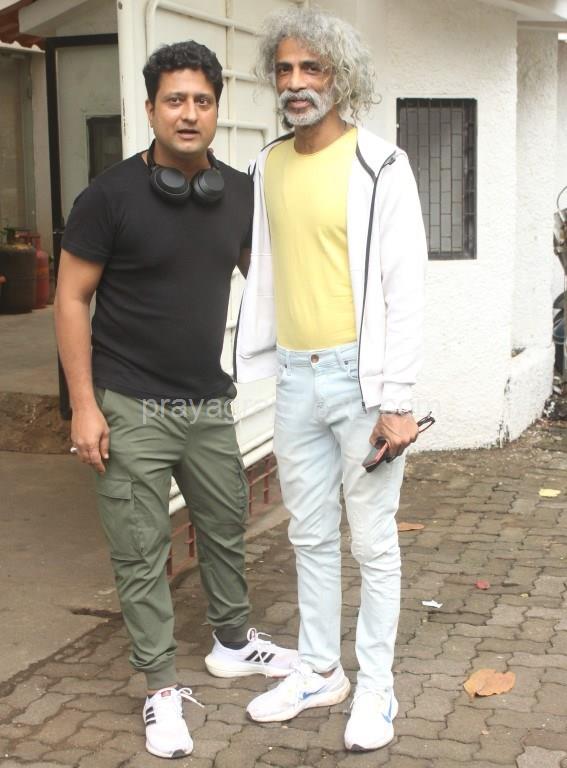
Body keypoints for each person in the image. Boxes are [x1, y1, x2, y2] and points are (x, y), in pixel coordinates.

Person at [54, 40, 297, 760]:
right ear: (151, 108)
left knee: (224, 529)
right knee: (141, 550)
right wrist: (83, 405)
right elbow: (70, 299)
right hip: (128, 403)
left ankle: (232, 642)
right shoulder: (108, 198)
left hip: (206, 404)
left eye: (202, 100)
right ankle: (160, 686)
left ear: (216, 109)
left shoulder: (238, 194)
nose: (188, 113)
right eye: (175, 100)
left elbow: (270, 285)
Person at [234, 7, 427, 752]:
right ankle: (319, 671)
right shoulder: (267, 166)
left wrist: (398, 402)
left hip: (361, 383)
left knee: (372, 543)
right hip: (293, 378)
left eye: (311, 68)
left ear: (340, 77)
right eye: (284, 69)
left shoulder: (381, 166)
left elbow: (404, 288)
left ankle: (376, 686)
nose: (295, 82)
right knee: (310, 535)